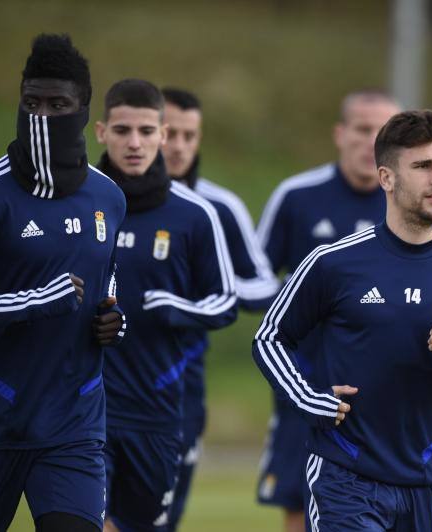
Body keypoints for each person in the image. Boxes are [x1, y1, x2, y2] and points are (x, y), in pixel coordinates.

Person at [252, 109, 432, 532]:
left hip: (423, 483)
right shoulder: (333, 262)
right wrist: (310, 398)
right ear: (387, 178)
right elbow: (269, 339)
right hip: (344, 475)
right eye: (423, 166)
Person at [0, 34, 126, 532]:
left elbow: (106, 280)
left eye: (58, 105)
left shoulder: (108, 196)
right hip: (0, 418)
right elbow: (42, 299)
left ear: (82, 110)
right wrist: (34, 301)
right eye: (32, 103)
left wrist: (116, 318)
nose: (43, 116)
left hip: (73, 425)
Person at [95, 79, 237, 531]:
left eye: (145, 131)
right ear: (100, 132)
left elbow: (226, 303)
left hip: (156, 410)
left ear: (161, 133)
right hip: (83, 408)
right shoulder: (79, 204)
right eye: (121, 130)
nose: (134, 143)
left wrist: (178, 308)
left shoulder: (196, 214)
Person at [160, 87, 280, 530]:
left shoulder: (220, 207)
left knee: (163, 516)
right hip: (100, 379)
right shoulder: (106, 198)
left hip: (181, 384)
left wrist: (205, 295)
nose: (179, 146)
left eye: (190, 136)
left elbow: (265, 286)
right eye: (170, 133)